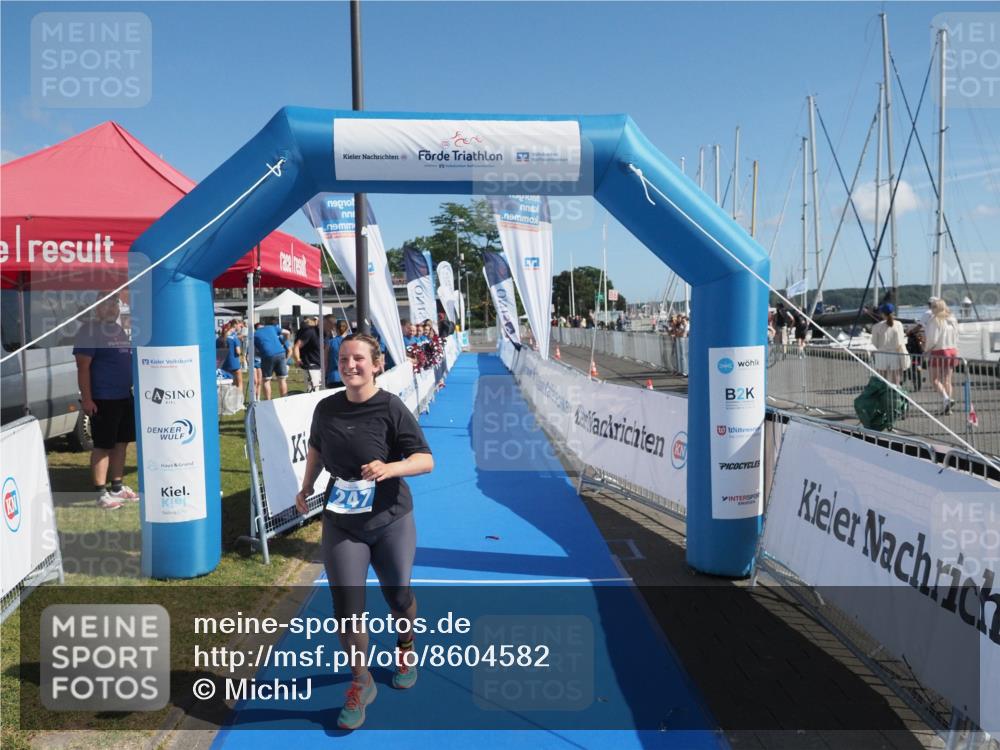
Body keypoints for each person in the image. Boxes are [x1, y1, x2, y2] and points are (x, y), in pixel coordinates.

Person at [295, 334, 434, 730]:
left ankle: (405, 645)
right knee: (346, 611)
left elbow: (426, 460)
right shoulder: (326, 408)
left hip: (390, 518)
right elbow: (317, 450)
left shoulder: (391, 407)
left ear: (376, 364)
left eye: (358, 359)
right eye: (343, 358)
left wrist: (390, 468)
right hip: (342, 519)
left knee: (399, 597)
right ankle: (361, 681)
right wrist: (306, 486)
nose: (350, 365)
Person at [73, 295, 138, 509]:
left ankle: (117, 487)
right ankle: (101, 493)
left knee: (122, 443)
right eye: (106, 304)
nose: (112, 308)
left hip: (124, 396)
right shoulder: (88, 331)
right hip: (103, 398)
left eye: (115, 303)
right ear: (96, 308)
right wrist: (88, 399)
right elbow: (83, 367)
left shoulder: (118, 330)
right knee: (103, 446)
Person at [925, 298, 960, 414]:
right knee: (947, 380)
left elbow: (932, 339)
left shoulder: (935, 320)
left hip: (939, 351)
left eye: (933, 307)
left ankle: (946, 399)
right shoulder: (952, 319)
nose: (931, 309)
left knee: (934, 379)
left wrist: (926, 350)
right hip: (952, 350)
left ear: (936, 308)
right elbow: (957, 335)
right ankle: (947, 406)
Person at [870, 304, 908, 386]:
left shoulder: (876, 326)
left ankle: (883, 396)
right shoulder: (898, 324)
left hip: (881, 353)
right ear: (893, 313)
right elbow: (901, 341)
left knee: (881, 379)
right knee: (895, 380)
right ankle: (895, 396)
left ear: (882, 314)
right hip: (894, 353)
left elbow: (874, 343)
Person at [254, 319, 290, 399]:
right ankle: (284, 400)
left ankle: (268, 402)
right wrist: (283, 343)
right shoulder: (271, 327)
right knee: (282, 379)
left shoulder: (255, 334)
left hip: (267, 355)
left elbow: (256, 351)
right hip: (281, 353)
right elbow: (288, 332)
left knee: (266, 380)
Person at [293, 316, 322, 392]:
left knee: (317, 389)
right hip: (310, 364)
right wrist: (297, 359)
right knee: (313, 390)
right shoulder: (308, 332)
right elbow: (296, 346)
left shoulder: (316, 332)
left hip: (317, 364)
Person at [326, 320, 349, 387]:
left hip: (333, 377)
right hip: (348, 376)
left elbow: (325, 361)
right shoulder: (352, 341)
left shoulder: (330, 342)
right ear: (347, 328)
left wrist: (324, 376)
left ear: (335, 329)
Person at [221, 321, 243, 390]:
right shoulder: (234, 338)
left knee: (229, 383)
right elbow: (238, 351)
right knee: (239, 383)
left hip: (224, 364)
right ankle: (239, 400)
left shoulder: (220, 339)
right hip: (234, 363)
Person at [904, 323, 926, 391]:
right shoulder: (919, 337)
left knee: (913, 371)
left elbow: (910, 347)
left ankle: (916, 385)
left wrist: (906, 347)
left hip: (914, 357)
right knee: (917, 371)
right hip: (920, 357)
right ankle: (918, 386)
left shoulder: (912, 337)